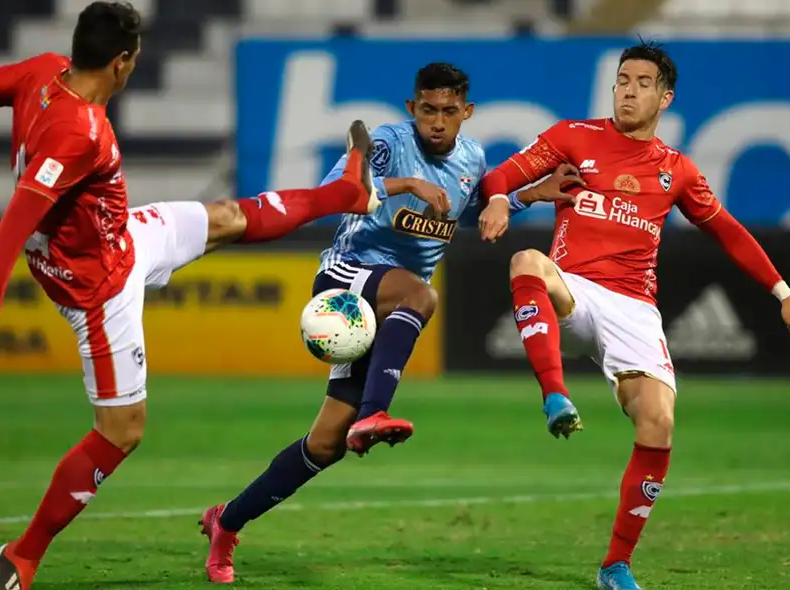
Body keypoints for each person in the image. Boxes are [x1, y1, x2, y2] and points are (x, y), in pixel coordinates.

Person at [0, 3, 384, 589]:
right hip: (98, 288)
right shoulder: (79, 132)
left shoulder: (43, 73)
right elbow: (20, 212)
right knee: (122, 431)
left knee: (228, 216)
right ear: (122, 62)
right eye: (133, 62)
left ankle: (346, 194)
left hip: (123, 236)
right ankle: (22, 556)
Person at [199, 62, 580, 584]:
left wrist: (526, 197)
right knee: (422, 293)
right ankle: (375, 413)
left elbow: (459, 213)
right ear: (412, 109)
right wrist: (409, 184)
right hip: (344, 277)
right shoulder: (387, 141)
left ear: (466, 113)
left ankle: (227, 520)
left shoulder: (472, 158)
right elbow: (340, 187)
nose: (438, 122)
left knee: (324, 445)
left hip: (389, 305)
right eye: (428, 110)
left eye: (449, 112)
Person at [479, 41, 790, 590]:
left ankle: (615, 566)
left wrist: (783, 292)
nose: (628, 91)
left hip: (634, 309)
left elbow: (728, 232)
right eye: (622, 80)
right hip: (575, 291)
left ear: (664, 96)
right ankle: (555, 396)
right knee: (526, 261)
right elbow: (502, 176)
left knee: (658, 423)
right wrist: (499, 199)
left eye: (641, 83)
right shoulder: (572, 137)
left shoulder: (676, 170)